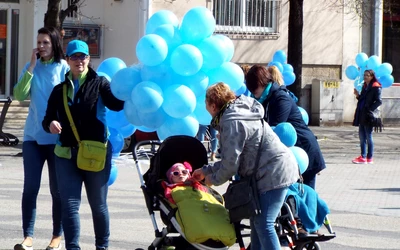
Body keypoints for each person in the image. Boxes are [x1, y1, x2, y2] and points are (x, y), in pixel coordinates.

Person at [192, 82, 299, 250]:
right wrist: (205, 171)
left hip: (273, 173)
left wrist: (210, 180)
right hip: (273, 169)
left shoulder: (232, 121)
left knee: (264, 224)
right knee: (257, 221)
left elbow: (230, 166)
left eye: (205, 105)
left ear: (213, 105)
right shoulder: (238, 112)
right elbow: (231, 159)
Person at [42, 40, 124, 250]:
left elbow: (116, 104)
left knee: (98, 206)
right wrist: (51, 123)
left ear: (89, 59)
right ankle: (73, 247)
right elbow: (47, 118)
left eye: (83, 56)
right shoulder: (59, 90)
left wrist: (132, 94)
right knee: (69, 206)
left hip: (95, 153)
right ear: (67, 60)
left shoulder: (100, 83)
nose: (79, 60)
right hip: (66, 153)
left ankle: (102, 247)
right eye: (75, 57)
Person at [13, 27, 69, 250]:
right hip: (32, 137)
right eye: (39, 42)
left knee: (57, 191)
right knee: (30, 188)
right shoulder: (31, 67)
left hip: (56, 140)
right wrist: (31, 67)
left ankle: (57, 235)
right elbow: (19, 95)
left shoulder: (63, 67)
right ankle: (28, 236)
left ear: (54, 43)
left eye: (45, 42)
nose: (41, 46)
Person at [245, 65, 326, 189]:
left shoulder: (280, 98)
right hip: (291, 152)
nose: (253, 94)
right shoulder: (267, 99)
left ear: (261, 83)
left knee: (306, 196)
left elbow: (276, 128)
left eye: (254, 90)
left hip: (303, 149)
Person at [162, 161, 236, 246]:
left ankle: (219, 230)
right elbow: (172, 202)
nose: (180, 174)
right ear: (171, 178)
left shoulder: (199, 186)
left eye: (184, 172)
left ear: (188, 174)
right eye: (176, 173)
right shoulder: (171, 189)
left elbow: (210, 196)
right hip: (190, 208)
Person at [352, 69, 382, 164]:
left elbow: (379, 101)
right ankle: (363, 157)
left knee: (368, 136)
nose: (365, 77)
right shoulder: (365, 86)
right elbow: (363, 99)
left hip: (369, 115)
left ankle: (369, 157)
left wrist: (370, 109)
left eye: (367, 75)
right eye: (364, 75)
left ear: (372, 77)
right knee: (362, 136)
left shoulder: (375, 87)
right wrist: (357, 95)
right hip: (362, 114)